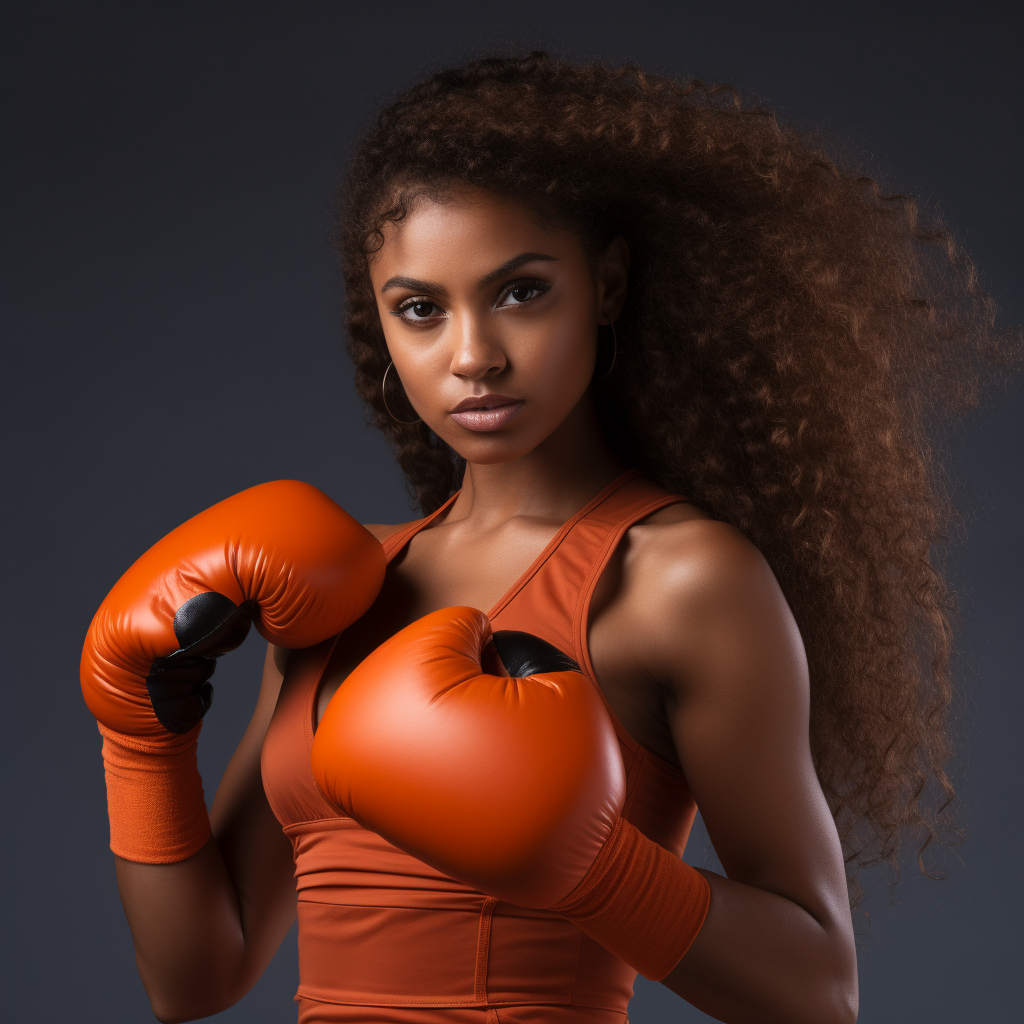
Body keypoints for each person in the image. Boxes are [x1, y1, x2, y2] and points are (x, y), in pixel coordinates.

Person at [82, 53, 1019, 1024]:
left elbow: (819, 992)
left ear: (604, 283)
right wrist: (140, 739)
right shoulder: (333, 587)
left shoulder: (677, 579)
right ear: (381, 321)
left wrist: (596, 869)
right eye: (420, 309)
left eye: (520, 292)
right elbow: (193, 978)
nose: (474, 355)